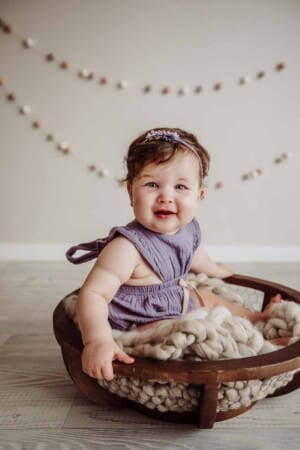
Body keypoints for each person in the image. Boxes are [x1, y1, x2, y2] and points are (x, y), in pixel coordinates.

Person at [66, 127, 282, 381]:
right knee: (201, 335)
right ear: (130, 191)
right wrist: (97, 340)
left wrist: (217, 270)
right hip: (142, 322)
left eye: (180, 186)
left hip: (176, 300)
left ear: (199, 196)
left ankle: (256, 318)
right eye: (152, 184)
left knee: (209, 299)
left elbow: (194, 255)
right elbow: (93, 294)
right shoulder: (125, 248)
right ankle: (258, 352)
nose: (166, 196)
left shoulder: (187, 229)